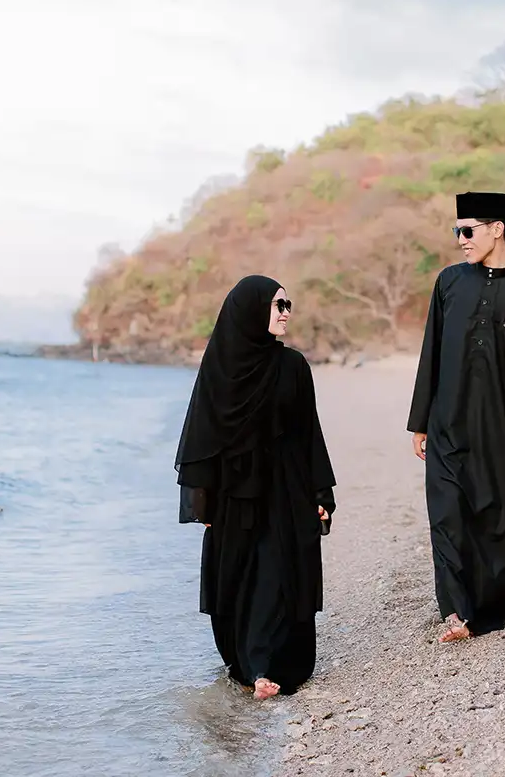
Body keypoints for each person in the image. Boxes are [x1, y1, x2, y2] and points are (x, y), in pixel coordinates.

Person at [175, 275, 336, 700]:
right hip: (233, 497)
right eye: (277, 305)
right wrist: (201, 504)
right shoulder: (220, 372)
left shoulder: (293, 367)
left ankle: (266, 667)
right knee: (238, 580)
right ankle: (247, 663)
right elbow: (201, 439)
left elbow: (309, 435)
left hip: (286, 491)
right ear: (251, 311)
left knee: (277, 574)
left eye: (288, 305)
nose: (285, 313)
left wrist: (321, 493)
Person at [407, 192, 505, 644]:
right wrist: (419, 421)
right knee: (447, 515)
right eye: (456, 231)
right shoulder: (449, 283)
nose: (460, 240)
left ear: (498, 228)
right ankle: (454, 613)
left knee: (502, 520)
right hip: (448, 423)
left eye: (467, 230)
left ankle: (490, 606)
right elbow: (430, 351)